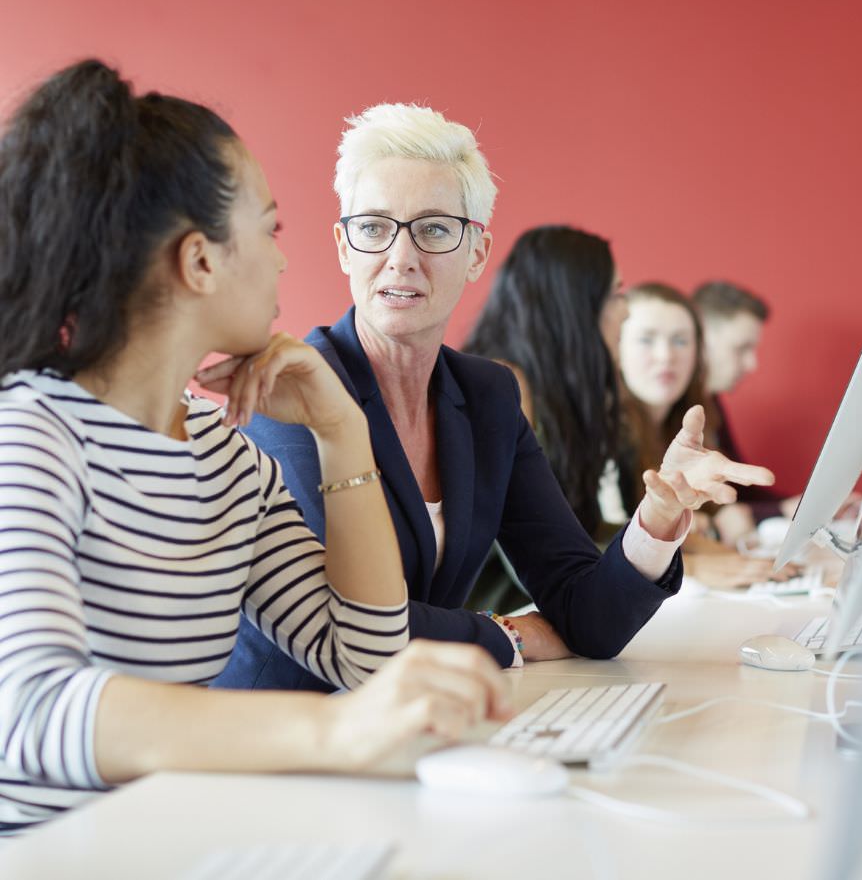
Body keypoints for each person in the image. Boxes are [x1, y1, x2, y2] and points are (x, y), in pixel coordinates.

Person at [0, 61, 509, 834]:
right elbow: (30, 709)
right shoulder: (30, 433)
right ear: (201, 261)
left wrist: (341, 431)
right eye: (269, 230)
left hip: (163, 839)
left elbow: (365, 658)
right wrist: (332, 733)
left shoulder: (225, 455)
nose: (280, 258)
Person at [215, 103, 774, 688]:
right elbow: (352, 623)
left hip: (418, 717)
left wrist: (657, 522)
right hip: (287, 725)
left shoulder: (487, 396)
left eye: (434, 229)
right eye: (374, 228)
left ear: (477, 253)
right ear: (344, 246)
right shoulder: (294, 392)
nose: (400, 258)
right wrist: (507, 635)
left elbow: (591, 620)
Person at [618, 282, 796, 586]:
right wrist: (697, 559)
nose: (665, 356)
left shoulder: (699, 412)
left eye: (680, 341)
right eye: (646, 339)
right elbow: (601, 536)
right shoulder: (601, 428)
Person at [463, 225, 627, 539]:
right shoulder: (504, 387)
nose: (627, 310)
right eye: (616, 294)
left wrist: (672, 543)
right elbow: (532, 545)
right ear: (575, 307)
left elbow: (580, 532)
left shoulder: (559, 390)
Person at [692, 281, 799, 544]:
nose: (752, 364)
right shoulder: (676, 411)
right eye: (741, 348)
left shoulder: (711, 403)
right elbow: (709, 513)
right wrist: (781, 510)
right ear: (701, 338)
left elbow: (741, 490)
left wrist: (802, 505)